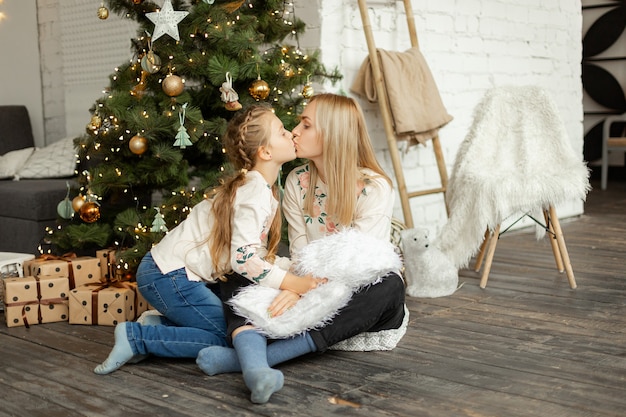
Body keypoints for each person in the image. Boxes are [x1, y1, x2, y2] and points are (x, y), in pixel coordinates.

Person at [93, 105, 323, 398]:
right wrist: (293, 283)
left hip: (169, 273)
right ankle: (138, 338)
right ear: (265, 152)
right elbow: (244, 260)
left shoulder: (258, 188)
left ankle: (160, 323)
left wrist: (289, 267)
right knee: (229, 336)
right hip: (169, 276)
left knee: (231, 330)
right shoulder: (254, 193)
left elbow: (250, 251)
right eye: (282, 131)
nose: (291, 133)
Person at [196, 93, 407, 385]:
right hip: (308, 281)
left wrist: (298, 290)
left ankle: (258, 359)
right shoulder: (297, 181)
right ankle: (254, 358)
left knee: (389, 285)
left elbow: (360, 261)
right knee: (239, 268)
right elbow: (300, 251)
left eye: (306, 125)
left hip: (353, 289)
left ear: (333, 134)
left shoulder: (375, 187)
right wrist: (297, 284)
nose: (295, 131)